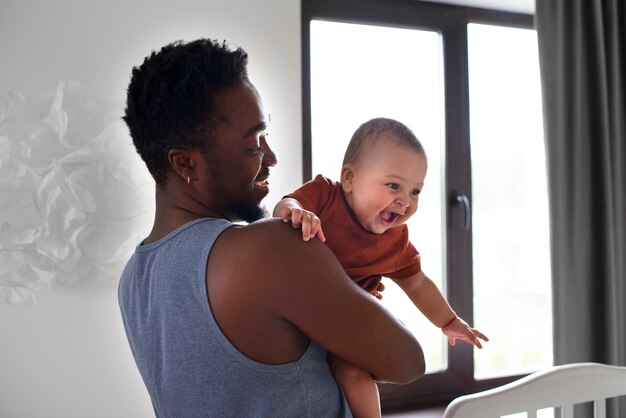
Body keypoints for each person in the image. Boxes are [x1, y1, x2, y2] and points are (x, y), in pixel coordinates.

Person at [117, 39, 426, 418]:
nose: (272, 158)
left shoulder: (134, 278)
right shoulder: (267, 248)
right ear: (186, 164)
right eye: (253, 145)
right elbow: (408, 361)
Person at [273, 117, 489, 418]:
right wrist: (296, 212)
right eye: (393, 186)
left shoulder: (395, 241)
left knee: (354, 375)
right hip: (301, 308)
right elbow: (284, 206)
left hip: (349, 321)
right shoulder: (324, 196)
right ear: (349, 178)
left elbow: (417, 283)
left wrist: (448, 320)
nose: (405, 201)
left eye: (415, 192)